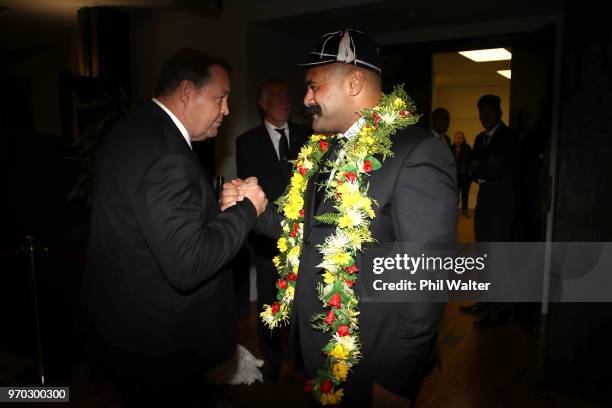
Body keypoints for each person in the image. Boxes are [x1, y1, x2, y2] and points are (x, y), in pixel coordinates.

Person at [222, 29, 456, 406]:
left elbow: (426, 278)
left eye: (313, 87)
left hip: (373, 363)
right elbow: (303, 230)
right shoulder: (324, 150)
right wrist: (256, 208)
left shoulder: (418, 153)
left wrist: (396, 382)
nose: (305, 100)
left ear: (354, 82)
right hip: (320, 353)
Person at [83, 49, 268, 406]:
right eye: (221, 97)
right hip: (159, 344)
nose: (227, 110)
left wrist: (219, 211)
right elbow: (188, 264)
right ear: (187, 92)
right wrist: (247, 210)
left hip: (126, 324)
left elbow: (156, 223)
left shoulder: (136, 128)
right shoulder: (166, 153)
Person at [235, 79, 310, 381]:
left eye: (286, 95)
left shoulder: (309, 136)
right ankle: (273, 358)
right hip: (269, 238)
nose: (285, 100)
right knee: (269, 300)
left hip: (306, 236)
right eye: (277, 96)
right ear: (263, 104)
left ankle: (301, 356)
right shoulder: (247, 142)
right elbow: (251, 191)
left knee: (304, 299)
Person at [461, 94, 519, 327]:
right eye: (482, 113)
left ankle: (499, 310)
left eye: (489, 112)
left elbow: (493, 170)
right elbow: (474, 170)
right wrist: (481, 171)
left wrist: (481, 171)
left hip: (502, 207)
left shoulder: (509, 138)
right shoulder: (479, 139)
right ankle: (485, 301)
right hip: (484, 205)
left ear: (500, 112)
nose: (485, 117)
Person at [452, 131, 472, 217]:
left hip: (465, 175)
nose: (460, 139)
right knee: (455, 194)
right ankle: (455, 210)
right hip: (454, 175)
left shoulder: (467, 148)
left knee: (465, 193)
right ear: (454, 138)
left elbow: (470, 161)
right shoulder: (450, 148)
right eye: (458, 137)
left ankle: (465, 210)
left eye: (462, 138)